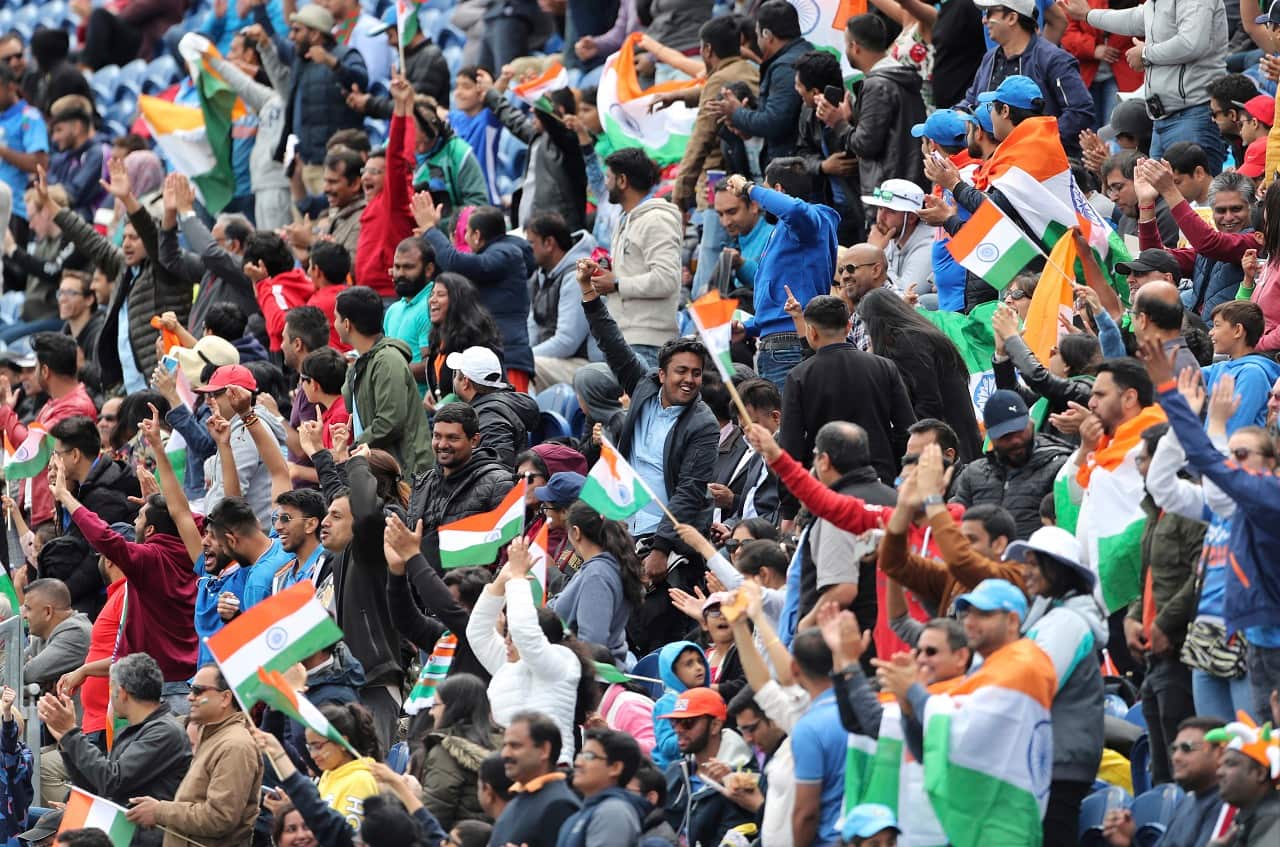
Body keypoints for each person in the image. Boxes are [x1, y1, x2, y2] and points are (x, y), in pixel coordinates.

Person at [1140, 336, 1280, 724]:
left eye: (1241, 456)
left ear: (1270, 462)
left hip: (1253, 637)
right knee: (1225, 756)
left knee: (1258, 752)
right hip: (1224, 633)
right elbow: (1163, 485)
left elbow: (1212, 468)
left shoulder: (1262, 497)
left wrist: (1202, 418)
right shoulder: (1230, 504)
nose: (1231, 463)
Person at [575, 264, 718, 639]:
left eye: (696, 373)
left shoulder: (703, 425)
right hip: (625, 525)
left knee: (653, 629)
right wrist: (589, 294)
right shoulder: (641, 387)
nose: (689, 380)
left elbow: (689, 492)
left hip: (669, 543)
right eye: (681, 371)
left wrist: (660, 549)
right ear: (661, 375)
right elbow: (611, 341)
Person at [44, 159, 190, 394]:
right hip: (133, 388)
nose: (127, 244)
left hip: (167, 384)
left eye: (134, 238)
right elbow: (89, 240)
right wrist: (50, 206)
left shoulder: (166, 269)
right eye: (125, 238)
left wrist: (127, 199)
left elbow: (152, 236)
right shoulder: (125, 268)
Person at [1003, 526, 1107, 843]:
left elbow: (1035, 684)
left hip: (1059, 763)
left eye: (1034, 564)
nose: (1025, 571)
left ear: (1058, 569)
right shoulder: (1051, 616)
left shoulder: (1067, 623)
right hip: (1049, 759)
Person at [1056, 357, 1167, 616]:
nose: (1091, 403)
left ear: (1129, 398)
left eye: (1100, 395)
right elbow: (1073, 494)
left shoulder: (1157, 446)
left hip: (1136, 598)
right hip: (1105, 594)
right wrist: (1086, 448)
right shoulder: (1105, 445)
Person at [41, 653, 190, 847]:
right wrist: (65, 740)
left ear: (122, 693)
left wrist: (71, 733)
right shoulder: (132, 731)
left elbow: (112, 781)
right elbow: (95, 787)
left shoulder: (165, 732)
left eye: (110, 688)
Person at [1059, 0, 1227, 170]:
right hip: (1163, 119)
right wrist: (1088, 15)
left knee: (1193, 192)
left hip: (1192, 115)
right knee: (1157, 193)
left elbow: (1191, 44)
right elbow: (1132, 18)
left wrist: (1146, 54)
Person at [467, 538, 589, 763]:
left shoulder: (561, 663)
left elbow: (524, 631)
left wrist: (518, 579)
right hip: (508, 770)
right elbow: (477, 633)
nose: (507, 642)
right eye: (508, 636)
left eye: (512, 637)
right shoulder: (509, 665)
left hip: (549, 771)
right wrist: (500, 583)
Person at [779, 296, 915, 493]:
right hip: (880, 482)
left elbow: (791, 445)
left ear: (812, 331)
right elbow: (907, 430)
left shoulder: (799, 376)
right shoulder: (884, 367)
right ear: (849, 326)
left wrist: (789, 508)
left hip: (824, 488)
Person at [724, 164, 838, 389]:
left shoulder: (812, 220)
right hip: (776, 345)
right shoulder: (784, 231)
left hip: (790, 344)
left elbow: (795, 211)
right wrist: (749, 327)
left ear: (778, 190)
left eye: (765, 190)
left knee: (784, 423)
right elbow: (778, 299)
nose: (759, 199)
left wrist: (747, 187)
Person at [675, 16, 761, 296]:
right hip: (750, 189)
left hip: (718, 188)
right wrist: (678, 96)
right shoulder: (751, 69)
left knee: (711, 271)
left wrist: (680, 193)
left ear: (707, 50)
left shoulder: (719, 81)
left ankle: (704, 333)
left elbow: (700, 140)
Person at [575, 148, 681, 369]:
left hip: (647, 343)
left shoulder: (657, 219)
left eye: (609, 177)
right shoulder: (627, 219)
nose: (605, 184)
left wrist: (615, 283)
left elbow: (666, 280)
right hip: (625, 339)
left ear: (622, 180)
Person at [416, 202, 535, 389]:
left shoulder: (506, 253)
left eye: (466, 233)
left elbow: (455, 262)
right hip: (495, 355)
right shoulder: (499, 253)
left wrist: (430, 230)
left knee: (511, 413)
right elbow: (452, 269)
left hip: (509, 357)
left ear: (477, 235)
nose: (463, 238)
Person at [859, 289, 982, 461]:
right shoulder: (918, 334)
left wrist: (913, 447)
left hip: (946, 445)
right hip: (956, 435)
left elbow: (929, 401)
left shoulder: (908, 342)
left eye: (867, 324)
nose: (867, 330)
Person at [961, 0, 1093, 157]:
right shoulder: (990, 57)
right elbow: (971, 102)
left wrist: (1036, 142)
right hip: (995, 165)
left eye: (990, 13)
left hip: (1042, 166)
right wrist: (947, 120)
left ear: (1011, 18)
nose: (984, 20)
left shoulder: (1054, 59)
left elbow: (1080, 111)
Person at [260, 5, 367, 195]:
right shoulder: (301, 60)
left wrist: (331, 63)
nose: (291, 36)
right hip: (304, 167)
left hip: (335, 170)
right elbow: (276, 42)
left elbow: (361, 81)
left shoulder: (345, 55)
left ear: (316, 34)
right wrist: (259, 9)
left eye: (297, 30)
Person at [818, 15, 927, 199]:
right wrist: (851, 118)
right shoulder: (897, 75)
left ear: (855, 46)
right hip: (905, 186)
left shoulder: (877, 85)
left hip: (888, 195)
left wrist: (838, 123)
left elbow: (865, 144)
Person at [1134, 163, 1255, 321]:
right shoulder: (1206, 253)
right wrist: (1146, 203)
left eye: (1236, 209)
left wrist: (1170, 191)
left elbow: (1210, 242)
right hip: (1202, 338)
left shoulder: (1255, 241)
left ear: (1252, 207)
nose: (1228, 217)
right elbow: (1155, 260)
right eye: (1220, 210)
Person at [335, 286, 434, 477]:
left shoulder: (387, 360)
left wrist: (352, 450)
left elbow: (389, 421)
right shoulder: (360, 362)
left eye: (336, 318)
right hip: (378, 469)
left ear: (346, 324)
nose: (334, 323)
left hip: (405, 473)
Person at [0, 332, 94, 530]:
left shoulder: (75, 407)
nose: (32, 374)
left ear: (44, 371)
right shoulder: (53, 404)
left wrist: (5, 410)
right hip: (40, 511)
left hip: (54, 513)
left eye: (34, 368)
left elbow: (33, 449)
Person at [406, 402, 514, 573]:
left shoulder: (498, 484)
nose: (442, 444)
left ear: (474, 440)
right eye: (437, 436)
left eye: (452, 438)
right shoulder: (424, 482)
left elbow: (508, 554)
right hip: (420, 588)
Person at [951, 390, 1072, 539]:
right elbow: (954, 530)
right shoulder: (973, 475)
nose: (1015, 441)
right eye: (1005, 436)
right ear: (990, 437)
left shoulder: (1060, 467)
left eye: (1019, 431)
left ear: (1031, 423)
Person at [154, 174, 256, 338]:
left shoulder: (246, 271)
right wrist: (170, 214)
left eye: (214, 241)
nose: (206, 243)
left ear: (234, 244)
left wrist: (187, 213)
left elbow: (210, 252)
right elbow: (171, 258)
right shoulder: (211, 270)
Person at [706, 1, 808, 166]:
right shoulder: (800, 53)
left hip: (793, 166)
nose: (758, 41)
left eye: (758, 34)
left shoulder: (784, 67)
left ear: (767, 34)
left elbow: (774, 123)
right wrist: (746, 123)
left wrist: (737, 112)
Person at [1102, 717, 1225, 847]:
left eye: (1187, 748)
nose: (1176, 757)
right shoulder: (1187, 803)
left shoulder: (1226, 807)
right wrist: (1128, 843)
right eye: (1174, 749)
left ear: (1219, 753)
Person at [481, 80, 587, 232]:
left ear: (560, 111)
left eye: (540, 104)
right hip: (530, 232)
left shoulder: (570, 144)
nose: (532, 110)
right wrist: (491, 93)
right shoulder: (537, 137)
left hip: (558, 236)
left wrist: (536, 96)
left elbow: (555, 126)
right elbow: (513, 118)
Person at [656, 687, 755, 847]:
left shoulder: (741, 780)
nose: (678, 730)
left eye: (687, 723)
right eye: (674, 722)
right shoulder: (676, 770)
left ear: (715, 726)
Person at [549, 503, 643, 663]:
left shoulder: (597, 574)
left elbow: (593, 643)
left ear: (576, 532)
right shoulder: (598, 567)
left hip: (590, 679)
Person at [194, 365, 288, 525]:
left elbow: (231, 499)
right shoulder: (236, 426)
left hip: (253, 538)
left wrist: (209, 529)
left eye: (215, 394)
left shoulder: (245, 431)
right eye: (207, 395)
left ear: (237, 393)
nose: (208, 401)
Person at [415, 674, 503, 831]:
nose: (430, 712)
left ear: (454, 708)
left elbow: (434, 813)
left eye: (435, 705)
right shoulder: (507, 748)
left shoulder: (445, 752)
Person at [525, 211, 601, 390]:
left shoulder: (577, 277)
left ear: (549, 243)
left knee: (525, 368)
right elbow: (533, 326)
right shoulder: (540, 275)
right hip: (553, 361)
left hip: (585, 365)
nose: (528, 250)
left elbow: (567, 341)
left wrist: (525, 357)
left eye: (531, 243)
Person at [489, 711, 582, 847]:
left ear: (544, 750)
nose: (505, 754)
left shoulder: (559, 806)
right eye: (505, 746)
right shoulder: (518, 799)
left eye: (515, 746)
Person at [445, 346, 540, 468]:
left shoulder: (489, 418)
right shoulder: (491, 409)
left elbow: (498, 473)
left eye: (456, 374)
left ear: (465, 382)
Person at [423, 272, 505, 406]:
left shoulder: (479, 344)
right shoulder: (439, 339)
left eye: (441, 295)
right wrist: (434, 391)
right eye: (432, 294)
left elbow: (486, 393)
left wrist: (447, 404)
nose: (432, 299)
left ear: (458, 301)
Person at [557, 728, 646, 847]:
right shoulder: (581, 815)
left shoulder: (613, 812)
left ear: (615, 768)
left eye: (589, 756)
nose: (578, 763)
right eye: (581, 754)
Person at [1202, 302, 1280, 433]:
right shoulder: (1222, 367)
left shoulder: (1253, 374)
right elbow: (1183, 374)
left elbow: (1234, 429)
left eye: (1217, 325)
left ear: (1238, 330)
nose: (1210, 332)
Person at [1204, 720, 1280, 846]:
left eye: (1230, 764)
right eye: (1220, 765)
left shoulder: (1271, 819)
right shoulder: (1247, 817)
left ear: (1260, 773)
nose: (1219, 772)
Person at [860, 180, 932, 296]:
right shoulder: (889, 236)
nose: (881, 217)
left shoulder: (928, 245)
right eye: (880, 208)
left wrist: (877, 254)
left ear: (911, 218)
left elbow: (905, 297)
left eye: (890, 211)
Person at [20, 579, 90, 693]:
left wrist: (35, 676)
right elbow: (7, 673)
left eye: (28, 609)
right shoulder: (42, 633)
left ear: (47, 612)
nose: (24, 616)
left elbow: (29, 674)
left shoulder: (76, 632)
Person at [56, 272, 104, 363]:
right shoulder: (62, 336)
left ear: (89, 300)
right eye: (60, 293)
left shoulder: (100, 335)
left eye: (70, 293)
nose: (62, 299)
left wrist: (82, 367)